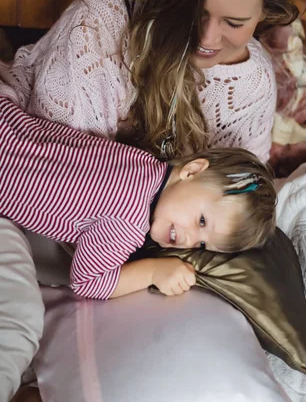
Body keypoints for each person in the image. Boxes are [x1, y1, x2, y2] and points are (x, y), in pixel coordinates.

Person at [0, 0, 298, 402]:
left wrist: (178, 248)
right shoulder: (105, 23)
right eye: (196, 13)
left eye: (235, 23)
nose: (209, 40)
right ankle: (31, 396)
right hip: (27, 203)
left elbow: (235, 197)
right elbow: (57, 175)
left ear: (266, 16)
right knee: (16, 319)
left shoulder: (251, 86)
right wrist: (154, 265)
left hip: (95, 228)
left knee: (171, 338)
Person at [0, 96, 276, 299]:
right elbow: (86, 282)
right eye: (201, 220)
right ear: (192, 170)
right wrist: (153, 271)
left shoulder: (141, 160)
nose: (189, 240)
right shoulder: (129, 223)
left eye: (203, 244)